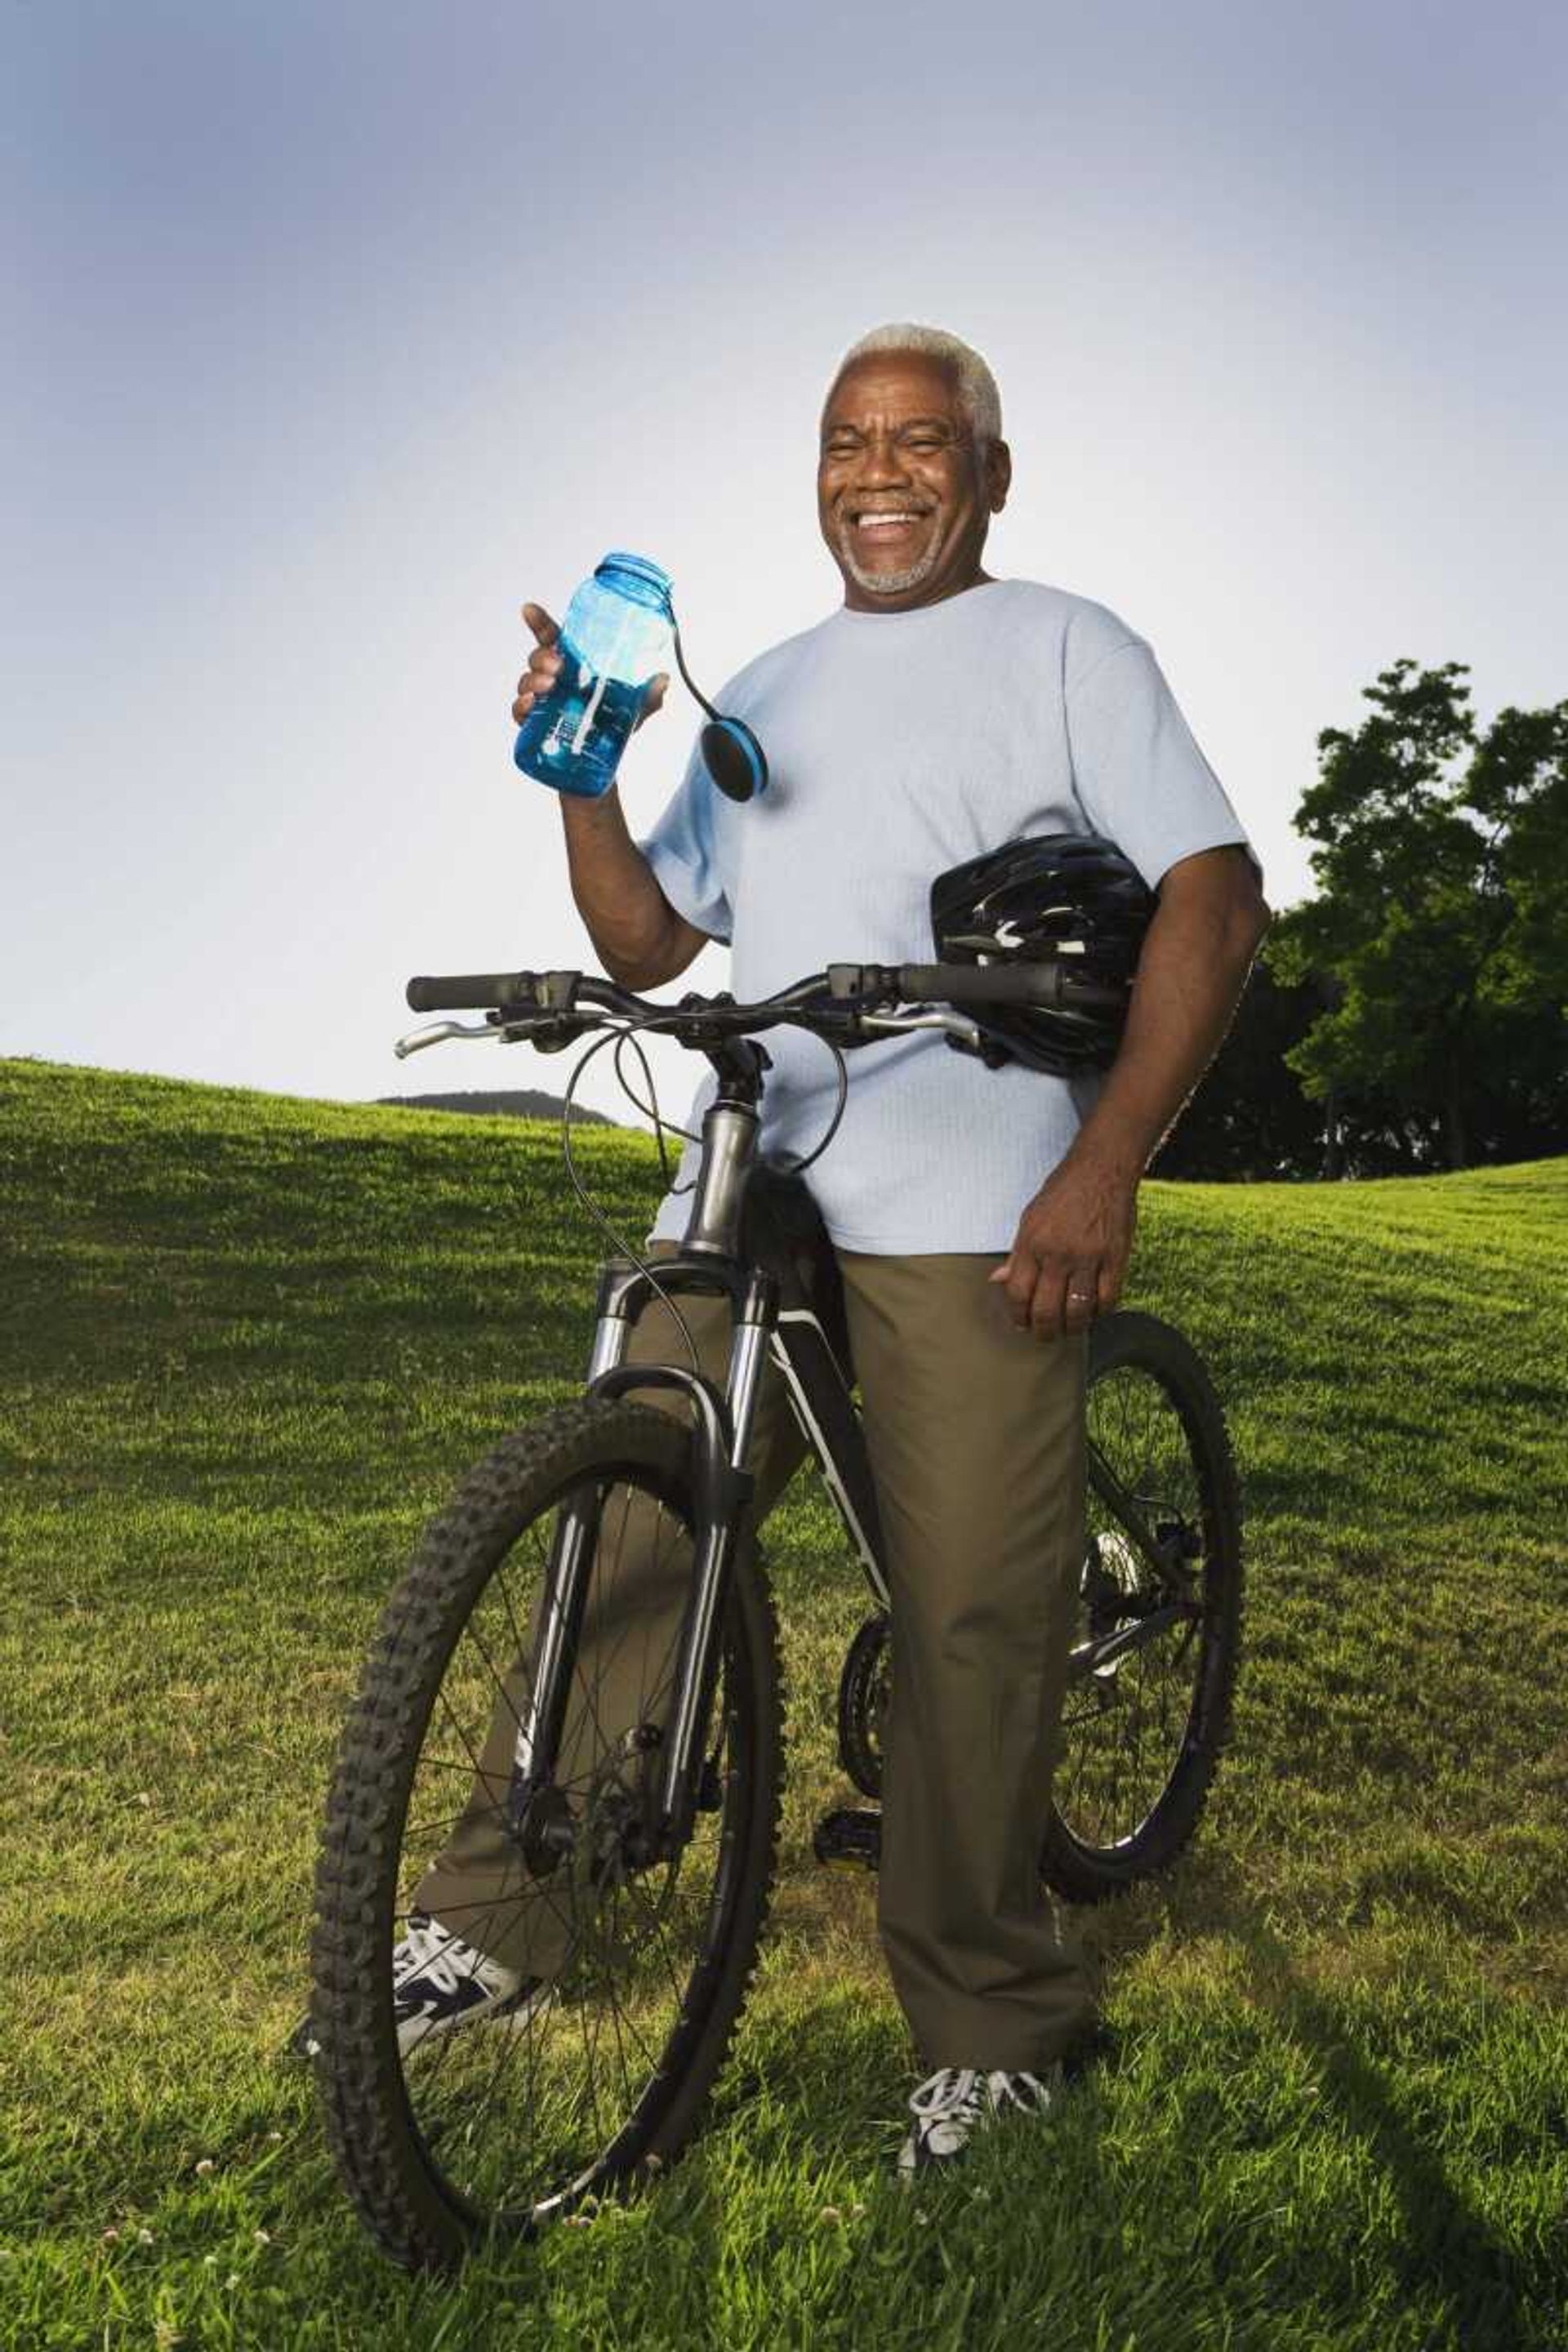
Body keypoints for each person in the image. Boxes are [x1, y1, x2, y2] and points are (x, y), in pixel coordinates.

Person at [305, 323, 1271, 2178]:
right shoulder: (761, 687)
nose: (880, 471)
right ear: (816, 472)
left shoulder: (1071, 647)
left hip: (973, 1176)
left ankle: (1001, 2017)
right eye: (848, 442)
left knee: (976, 1611)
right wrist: (574, 773)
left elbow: (1215, 901)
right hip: (767, 1155)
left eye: (922, 441)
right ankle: (499, 1922)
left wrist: (1108, 1164)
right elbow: (656, 940)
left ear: (990, 470)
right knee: (625, 1510)